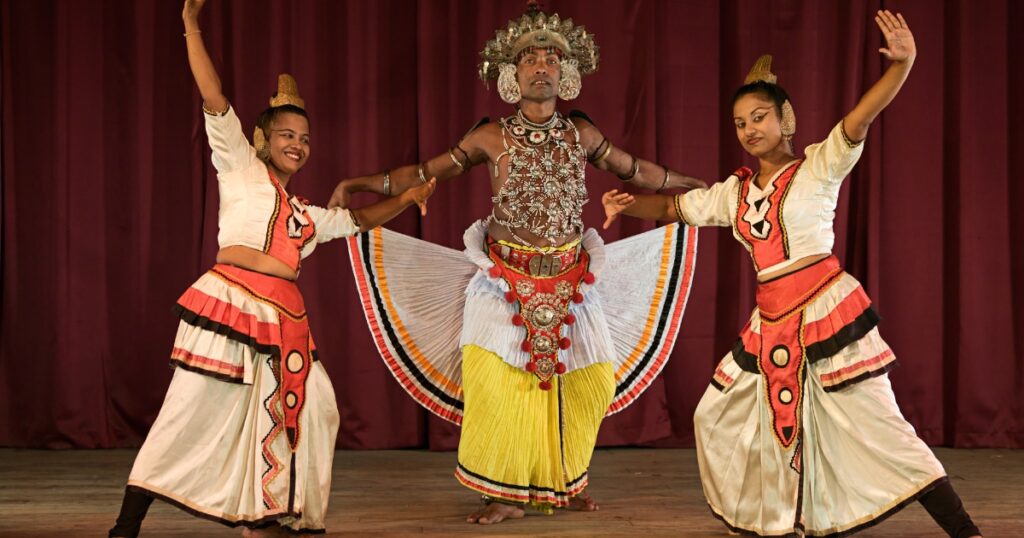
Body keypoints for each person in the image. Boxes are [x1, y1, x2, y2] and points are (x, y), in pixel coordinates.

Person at [601, 11, 981, 537]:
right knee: (719, 414)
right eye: (740, 123)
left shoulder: (819, 165)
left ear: (786, 119)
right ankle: (785, 518)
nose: (750, 130)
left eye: (759, 117)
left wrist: (902, 66)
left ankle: (966, 531)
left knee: (881, 426)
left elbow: (861, 119)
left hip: (826, 310)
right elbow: (672, 209)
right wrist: (626, 205)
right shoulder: (732, 193)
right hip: (772, 321)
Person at [332, 1, 703, 526]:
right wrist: (361, 184)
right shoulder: (489, 136)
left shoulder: (581, 133)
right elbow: (424, 171)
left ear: (565, 71)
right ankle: (503, 493)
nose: (541, 66)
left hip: (572, 278)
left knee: (590, 379)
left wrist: (695, 185)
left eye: (551, 58)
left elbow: (636, 169)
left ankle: (563, 482)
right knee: (496, 381)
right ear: (512, 73)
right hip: (504, 277)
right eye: (530, 58)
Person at [108, 1, 436, 537]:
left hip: (283, 322)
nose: (298, 146)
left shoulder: (305, 216)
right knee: (190, 412)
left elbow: (355, 218)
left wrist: (411, 196)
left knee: (311, 409)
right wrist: (191, 26)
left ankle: (267, 515)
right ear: (262, 139)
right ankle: (127, 522)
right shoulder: (239, 167)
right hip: (231, 304)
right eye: (287, 135)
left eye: (305, 140)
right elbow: (213, 96)